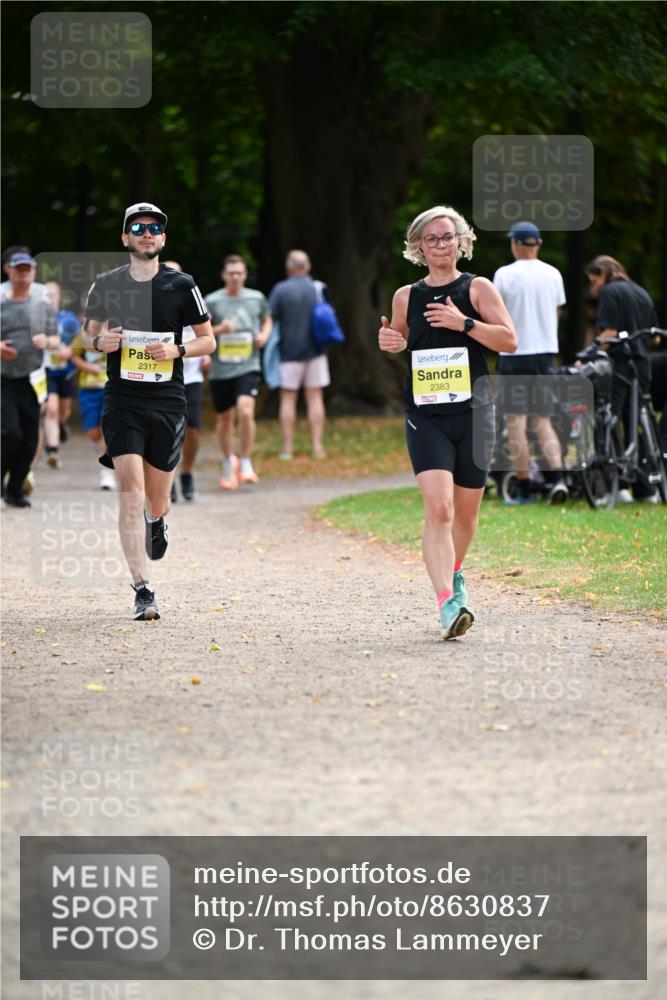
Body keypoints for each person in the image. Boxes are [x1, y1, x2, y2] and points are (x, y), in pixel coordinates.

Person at [379, 205, 517, 640]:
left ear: (461, 241)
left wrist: (465, 323)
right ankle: (445, 602)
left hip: (475, 412)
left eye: (446, 237)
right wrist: (390, 341)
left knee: (466, 516)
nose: (439, 245)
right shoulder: (407, 295)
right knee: (439, 509)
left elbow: (509, 340)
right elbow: (400, 338)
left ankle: (455, 572)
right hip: (426, 414)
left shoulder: (477, 288)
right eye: (430, 239)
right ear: (418, 246)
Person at [82, 202, 215, 620]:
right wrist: (100, 343)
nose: (146, 233)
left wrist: (177, 348)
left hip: (167, 401)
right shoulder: (106, 284)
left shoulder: (182, 284)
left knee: (156, 499)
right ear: (125, 237)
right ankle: (143, 589)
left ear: (162, 238)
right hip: (122, 400)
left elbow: (208, 340)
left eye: (154, 228)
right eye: (137, 227)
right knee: (129, 492)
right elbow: (87, 336)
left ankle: (156, 521)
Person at [492, 221, 569, 505]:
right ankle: (558, 478)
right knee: (543, 420)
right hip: (546, 353)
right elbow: (557, 312)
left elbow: (495, 315)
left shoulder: (504, 275)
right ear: (538, 244)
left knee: (516, 422)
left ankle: (524, 486)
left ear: (515, 244)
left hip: (514, 355)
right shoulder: (554, 274)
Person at [586, 254, 660, 502]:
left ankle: (613, 487)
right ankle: (645, 488)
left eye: (593, 280)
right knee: (637, 422)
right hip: (643, 363)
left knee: (609, 419)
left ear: (603, 274)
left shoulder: (611, 292)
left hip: (619, 364)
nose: (593, 287)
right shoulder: (641, 292)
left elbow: (609, 332)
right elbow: (655, 337)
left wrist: (589, 356)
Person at [205, 255, 271, 488]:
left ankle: (245, 460)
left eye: (239, 273)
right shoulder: (212, 301)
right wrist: (220, 330)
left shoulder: (256, 298)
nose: (235, 277)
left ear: (245, 275)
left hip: (248, 364)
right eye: (231, 273)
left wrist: (264, 335)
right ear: (223, 275)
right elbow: (201, 331)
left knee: (245, 412)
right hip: (221, 368)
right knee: (225, 418)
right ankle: (227, 461)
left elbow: (267, 319)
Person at [1, 252, 59, 507]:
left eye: (28, 269)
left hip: (33, 377)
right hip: (4, 377)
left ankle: (15, 491)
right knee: (9, 432)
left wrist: (47, 341)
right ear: (9, 271)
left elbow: (56, 338)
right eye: (19, 269)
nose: (24, 273)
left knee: (30, 439)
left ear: (34, 272)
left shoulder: (42, 303)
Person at [268, 249, 329, 460]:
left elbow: (271, 317)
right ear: (307, 267)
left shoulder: (280, 290)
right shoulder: (318, 288)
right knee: (315, 398)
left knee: (288, 400)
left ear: (289, 267)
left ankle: (287, 448)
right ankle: (318, 447)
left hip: (288, 352)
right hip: (316, 351)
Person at [163, 260, 211, 501]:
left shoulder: (191, 296)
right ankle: (167, 477)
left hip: (190, 377)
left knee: (191, 430)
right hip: (163, 377)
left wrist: (203, 355)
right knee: (167, 431)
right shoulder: (154, 300)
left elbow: (205, 335)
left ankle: (187, 473)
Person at [70, 327, 115, 490]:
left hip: (112, 387)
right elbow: (73, 355)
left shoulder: (119, 329)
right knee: (93, 433)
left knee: (107, 428)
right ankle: (99, 445)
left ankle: (106, 473)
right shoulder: (85, 332)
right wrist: (88, 367)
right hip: (88, 388)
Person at [42, 280, 80, 469]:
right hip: (46, 370)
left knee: (64, 411)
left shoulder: (68, 318)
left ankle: (61, 425)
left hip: (65, 371)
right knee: (51, 408)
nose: (49, 297)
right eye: (46, 294)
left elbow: (80, 341)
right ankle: (53, 451)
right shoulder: (36, 318)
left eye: (53, 294)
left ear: (59, 297)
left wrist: (70, 352)